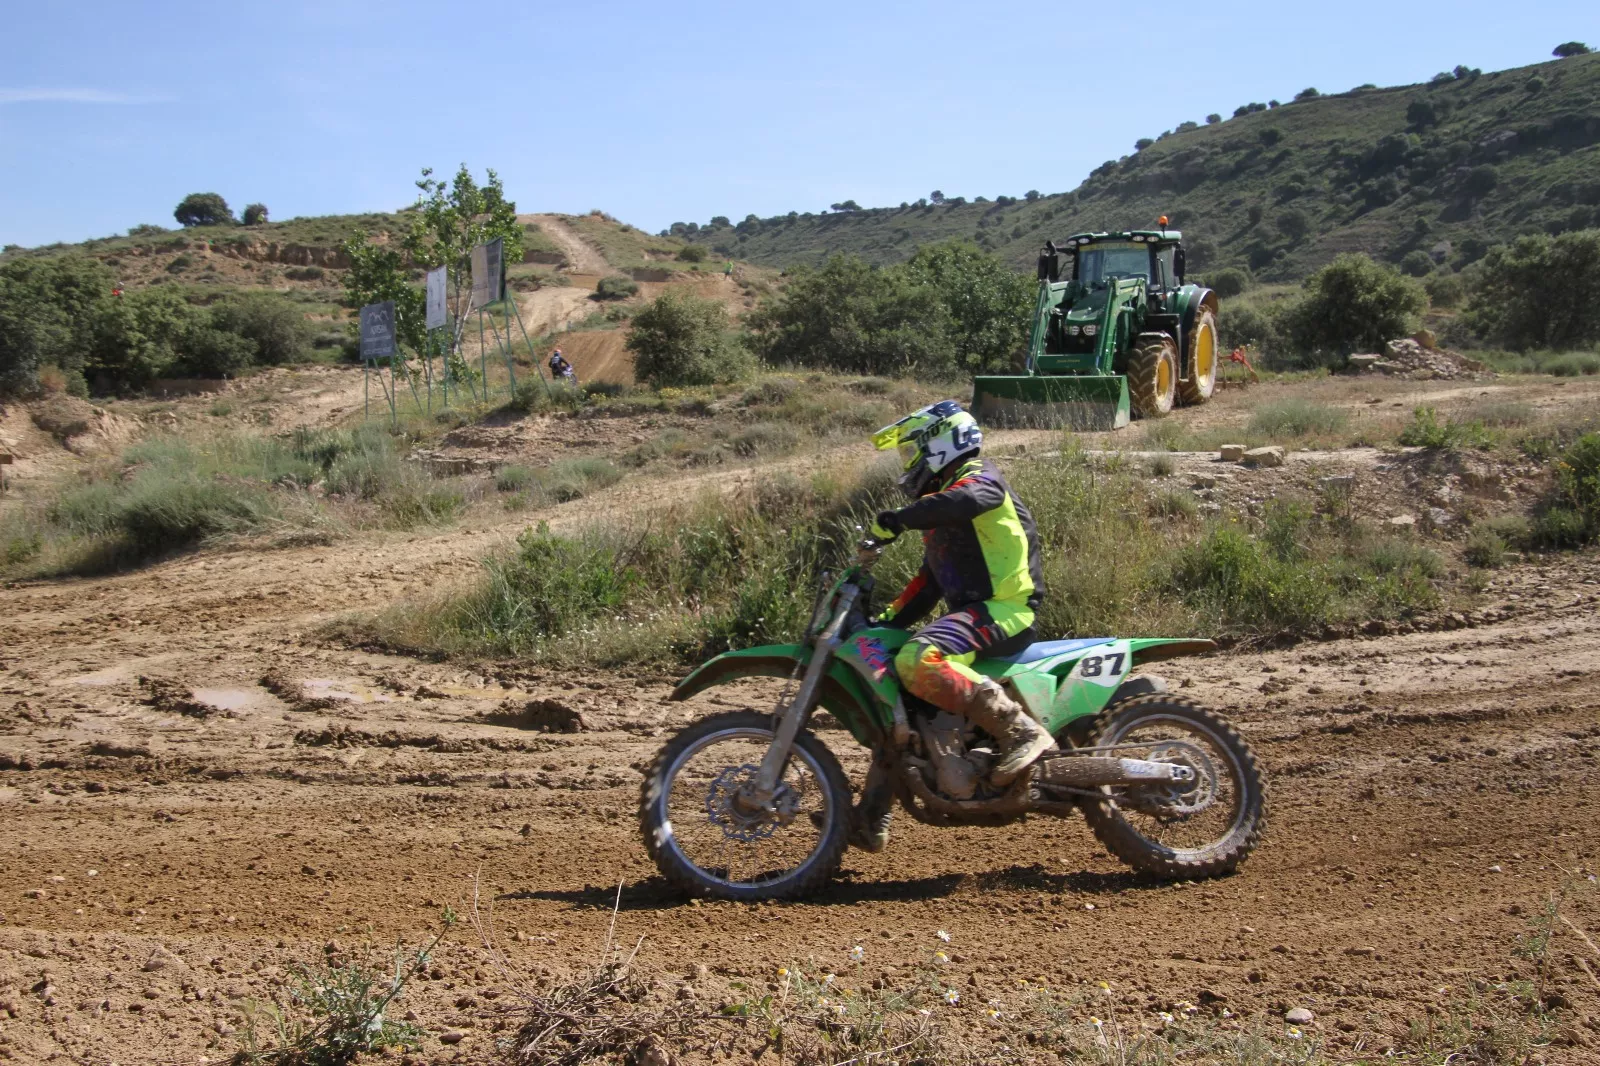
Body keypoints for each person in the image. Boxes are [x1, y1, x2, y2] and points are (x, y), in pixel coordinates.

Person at [850, 401, 1054, 849]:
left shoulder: (979, 479)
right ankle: (871, 816)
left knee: (920, 658)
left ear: (942, 444)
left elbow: (970, 498)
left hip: (1006, 608)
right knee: (898, 690)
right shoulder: (943, 512)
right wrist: (880, 623)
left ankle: (1020, 730)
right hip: (976, 613)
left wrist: (899, 520)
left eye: (911, 453)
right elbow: (927, 586)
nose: (908, 464)